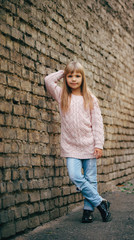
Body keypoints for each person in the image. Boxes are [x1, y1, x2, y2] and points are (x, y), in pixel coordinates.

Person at [45, 61, 111, 223]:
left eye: (77, 76)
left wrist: (98, 145)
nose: (73, 79)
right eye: (70, 76)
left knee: (90, 179)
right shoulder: (61, 95)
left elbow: (97, 124)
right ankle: (100, 202)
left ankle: (88, 212)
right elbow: (48, 81)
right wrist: (64, 71)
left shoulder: (90, 99)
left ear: (83, 78)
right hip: (70, 146)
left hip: (89, 145)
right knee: (75, 176)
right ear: (66, 77)